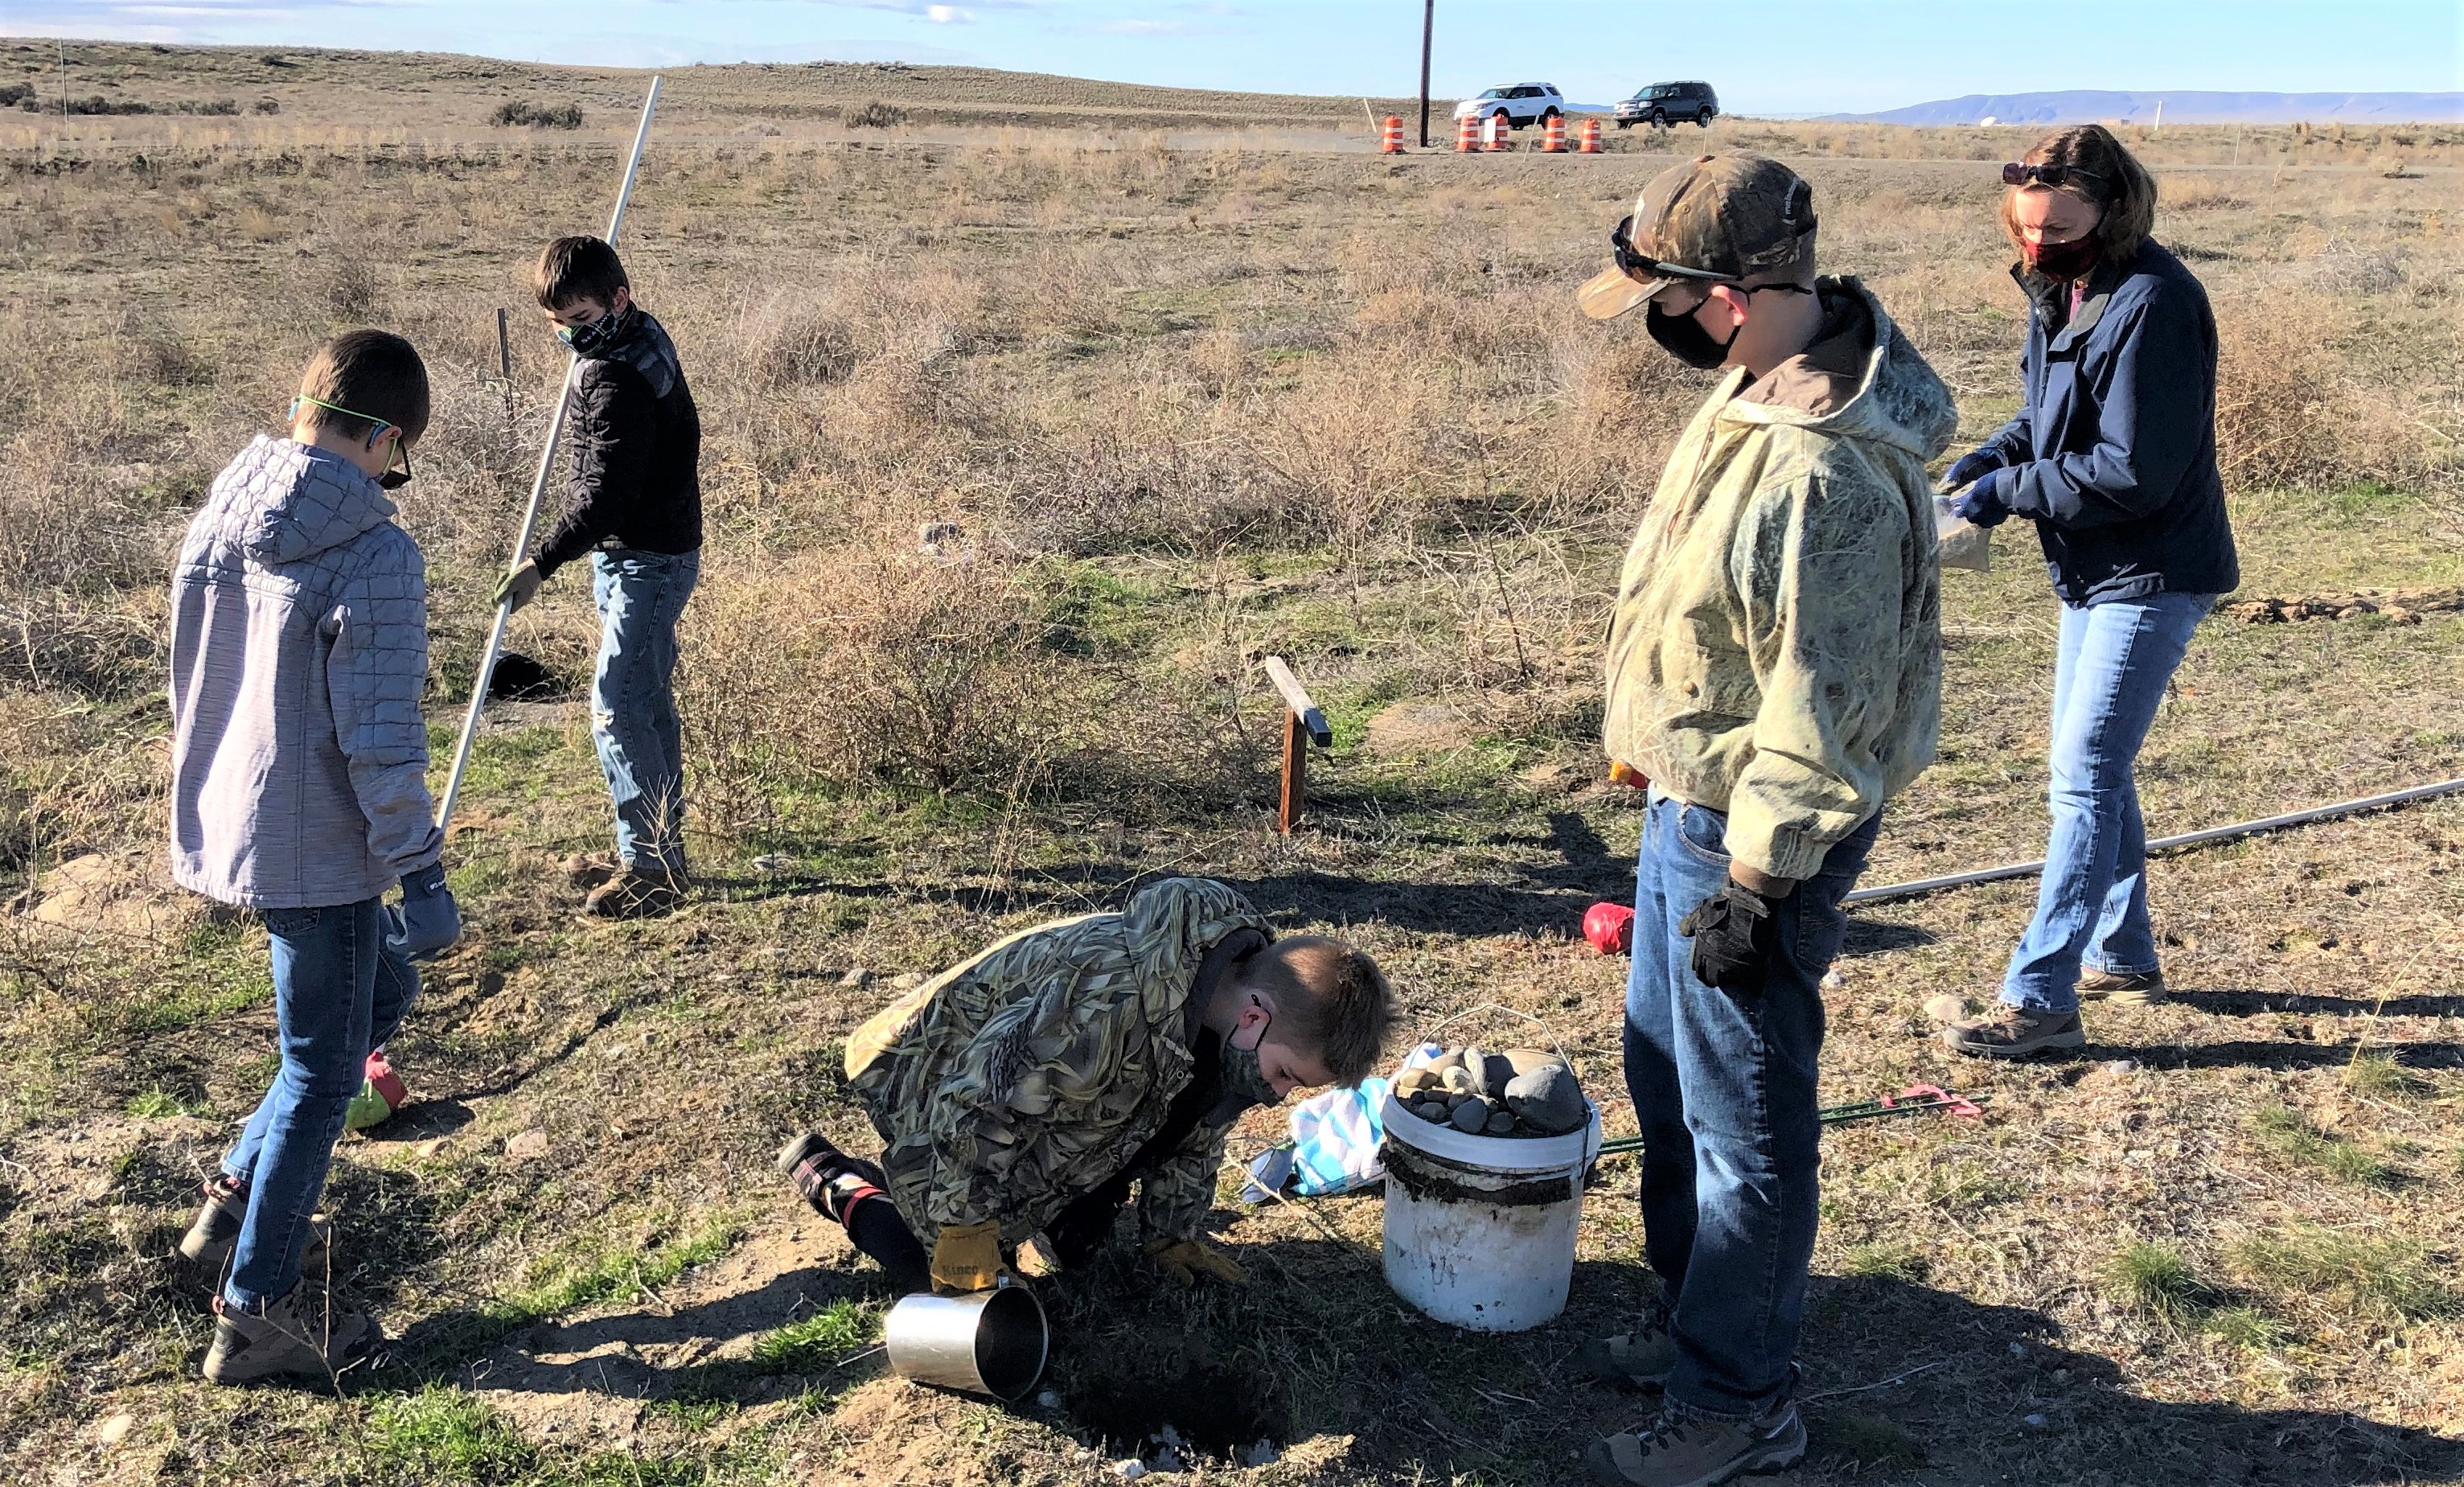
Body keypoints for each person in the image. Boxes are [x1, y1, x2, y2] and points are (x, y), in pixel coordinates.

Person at [1572, 153, 1953, 1486]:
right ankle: (1696, 1319)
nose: (1653, 327)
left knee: (1743, 1124)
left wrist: (1755, 877)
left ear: (1725, 296)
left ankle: (1738, 1396)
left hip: (1749, 829)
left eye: (1663, 300)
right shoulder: (1758, 384)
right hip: (1692, 798)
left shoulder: (1817, 472)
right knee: (1664, 1077)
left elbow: (1819, 697)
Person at [167, 331, 462, 1383]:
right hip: (322, 848)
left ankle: (235, 1198)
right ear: (381, 438)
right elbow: (377, 737)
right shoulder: (373, 553)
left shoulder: (220, 514)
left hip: (241, 821)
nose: (395, 479)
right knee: (323, 1068)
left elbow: (189, 682)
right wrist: (419, 871)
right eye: (399, 459)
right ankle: (256, 1312)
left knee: (377, 993)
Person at [1935, 125, 2237, 1058]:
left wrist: (2001, 494)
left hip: (2152, 569)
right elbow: (2048, 415)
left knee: (2082, 776)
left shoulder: (2152, 302)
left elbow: (2130, 470)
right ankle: (2124, 952)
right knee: (2095, 767)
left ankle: (2041, 1000)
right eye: (2025, 231)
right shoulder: (2065, 288)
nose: (2037, 246)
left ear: (2110, 211)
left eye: (2057, 231)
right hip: (2092, 568)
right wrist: (1992, 454)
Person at [775, 877, 1394, 1296]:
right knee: (940, 1272)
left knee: (1081, 1244)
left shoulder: (1221, 1015)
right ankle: (838, 1181)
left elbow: (1195, 1129)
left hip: (1031, 1092)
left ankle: (1049, 1219)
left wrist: (1169, 1237)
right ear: (1256, 1017)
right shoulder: (1107, 1006)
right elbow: (974, 1105)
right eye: (1287, 1073)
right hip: (924, 1071)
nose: (1280, 1092)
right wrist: (965, 1234)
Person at [495, 236, 704, 918]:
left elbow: (606, 495)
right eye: (558, 324)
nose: (569, 336)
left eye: (581, 321)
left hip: (647, 558)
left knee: (617, 705)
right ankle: (658, 850)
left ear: (620, 298)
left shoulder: (617, 377)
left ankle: (649, 868)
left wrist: (541, 562)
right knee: (646, 702)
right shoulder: (636, 337)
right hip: (639, 552)